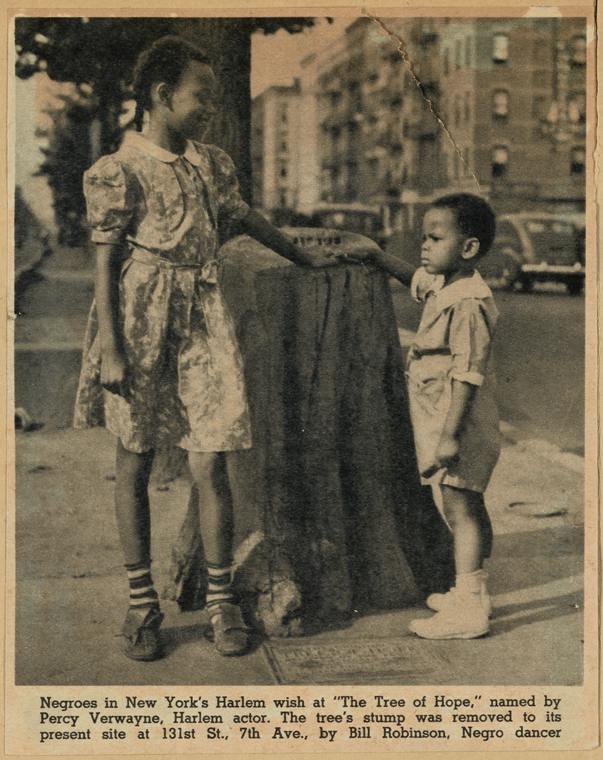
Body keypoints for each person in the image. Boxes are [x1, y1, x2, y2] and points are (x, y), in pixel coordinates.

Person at [73, 36, 340, 661]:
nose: (212, 108)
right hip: (139, 323)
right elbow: (105, 265)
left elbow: (243, 219)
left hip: (203, 320)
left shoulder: (211, 163)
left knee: (211, 459)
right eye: (203, 96)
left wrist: (307, 255)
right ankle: (142, 604)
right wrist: (112, 349)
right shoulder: (120, 169)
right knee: (134, 459)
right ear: (162, 97)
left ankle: (221, 602)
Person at [344, 193, 500, 639]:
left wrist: (449, 437)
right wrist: (377, 257)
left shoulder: (468, 302)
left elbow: (468, 373)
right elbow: (415, 277)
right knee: (467, 504)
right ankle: (473, 590)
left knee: (460, 509)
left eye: (435, 238)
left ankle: (469, 609)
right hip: (447, 418)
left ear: (468, 248)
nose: (424, 247)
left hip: (460, 423)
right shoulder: (449, 285)